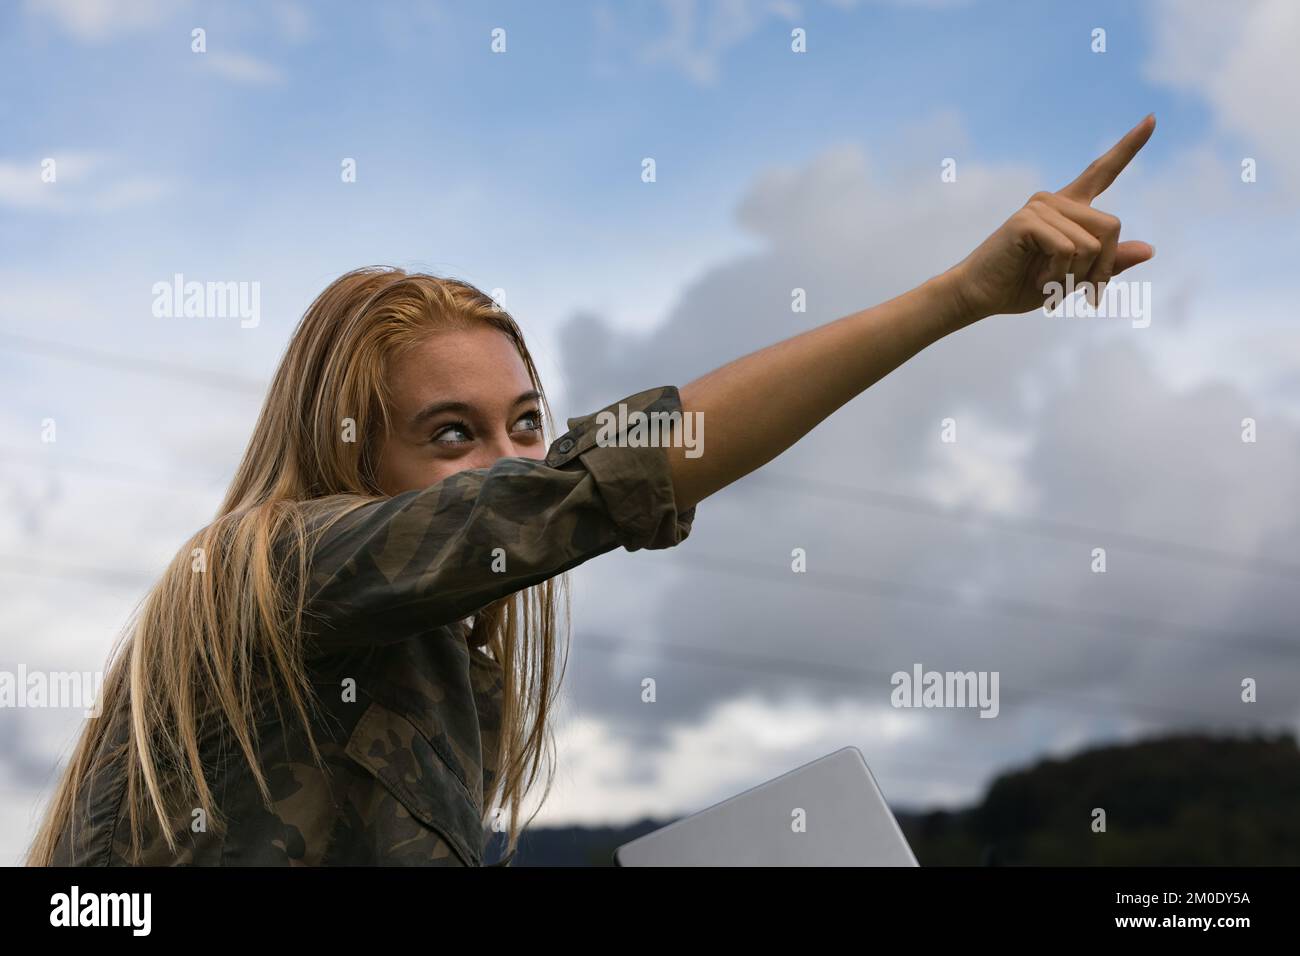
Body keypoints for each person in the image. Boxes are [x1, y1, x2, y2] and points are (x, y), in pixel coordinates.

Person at [28, 116, 1157, 866]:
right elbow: (608, 476)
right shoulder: (267, 567)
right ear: (348, 458)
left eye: (525, 421)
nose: (511, 463)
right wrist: (955, 295)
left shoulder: (440, 678)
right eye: (451, 434)